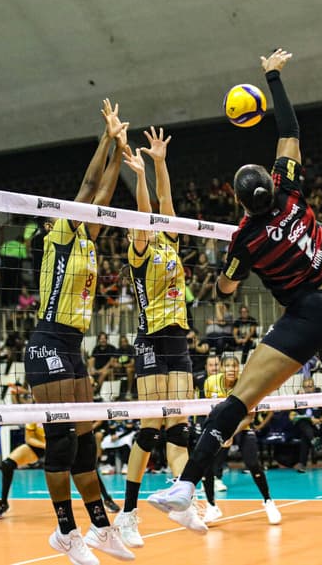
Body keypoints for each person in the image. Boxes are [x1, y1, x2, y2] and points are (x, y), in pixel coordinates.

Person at [148, 49, 322, 549]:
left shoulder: (244, 239)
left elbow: (225, 288)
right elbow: (290, 129)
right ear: (270, 180)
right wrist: (273, 77)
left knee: (240, 396)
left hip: (309, 313)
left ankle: (185, 485)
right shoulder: (289, 191)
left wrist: (219, 276)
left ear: (239, 201)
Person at [22, 99, 133, 565]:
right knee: (62, 441)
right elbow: (88, 187)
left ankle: (102, 530)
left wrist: (119, 150)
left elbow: (102, 197)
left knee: (86, 443)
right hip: (46, 341)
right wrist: (106, 138)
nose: (79, 210)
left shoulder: (85, 236)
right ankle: (66, 534)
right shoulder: (60, 234)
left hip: (71, 345)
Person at [116, 125, 208, 546]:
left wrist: (159, 162)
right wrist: (139, 177)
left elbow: (165, 204)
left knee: (179, 427)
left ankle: (182, 501)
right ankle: (128, 515)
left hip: (178, 340)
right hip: (151, 340)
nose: (153, 222)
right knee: (150, 428)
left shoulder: (169, 240)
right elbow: (145, 212)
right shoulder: (140, 250)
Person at [199, 355, 281, 524]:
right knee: (205, 461)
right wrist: (217, 431)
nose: (231, 369)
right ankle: (211, 506)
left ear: (239, 369)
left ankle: (268, 501)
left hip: (241, 426)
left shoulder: (246, 384)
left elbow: (249, 418)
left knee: (253, 463)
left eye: (234, 366)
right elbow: (208, 409)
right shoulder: (210, 382)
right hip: (219, 426)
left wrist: (231, 434)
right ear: (221, 368)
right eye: (227, 366)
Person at [0, 420, 46, 519]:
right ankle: (3, 503)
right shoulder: (34, 413)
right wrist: (46, 446)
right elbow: (29, 438)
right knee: (7, 465)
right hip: (40, 446)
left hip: (61, 443)